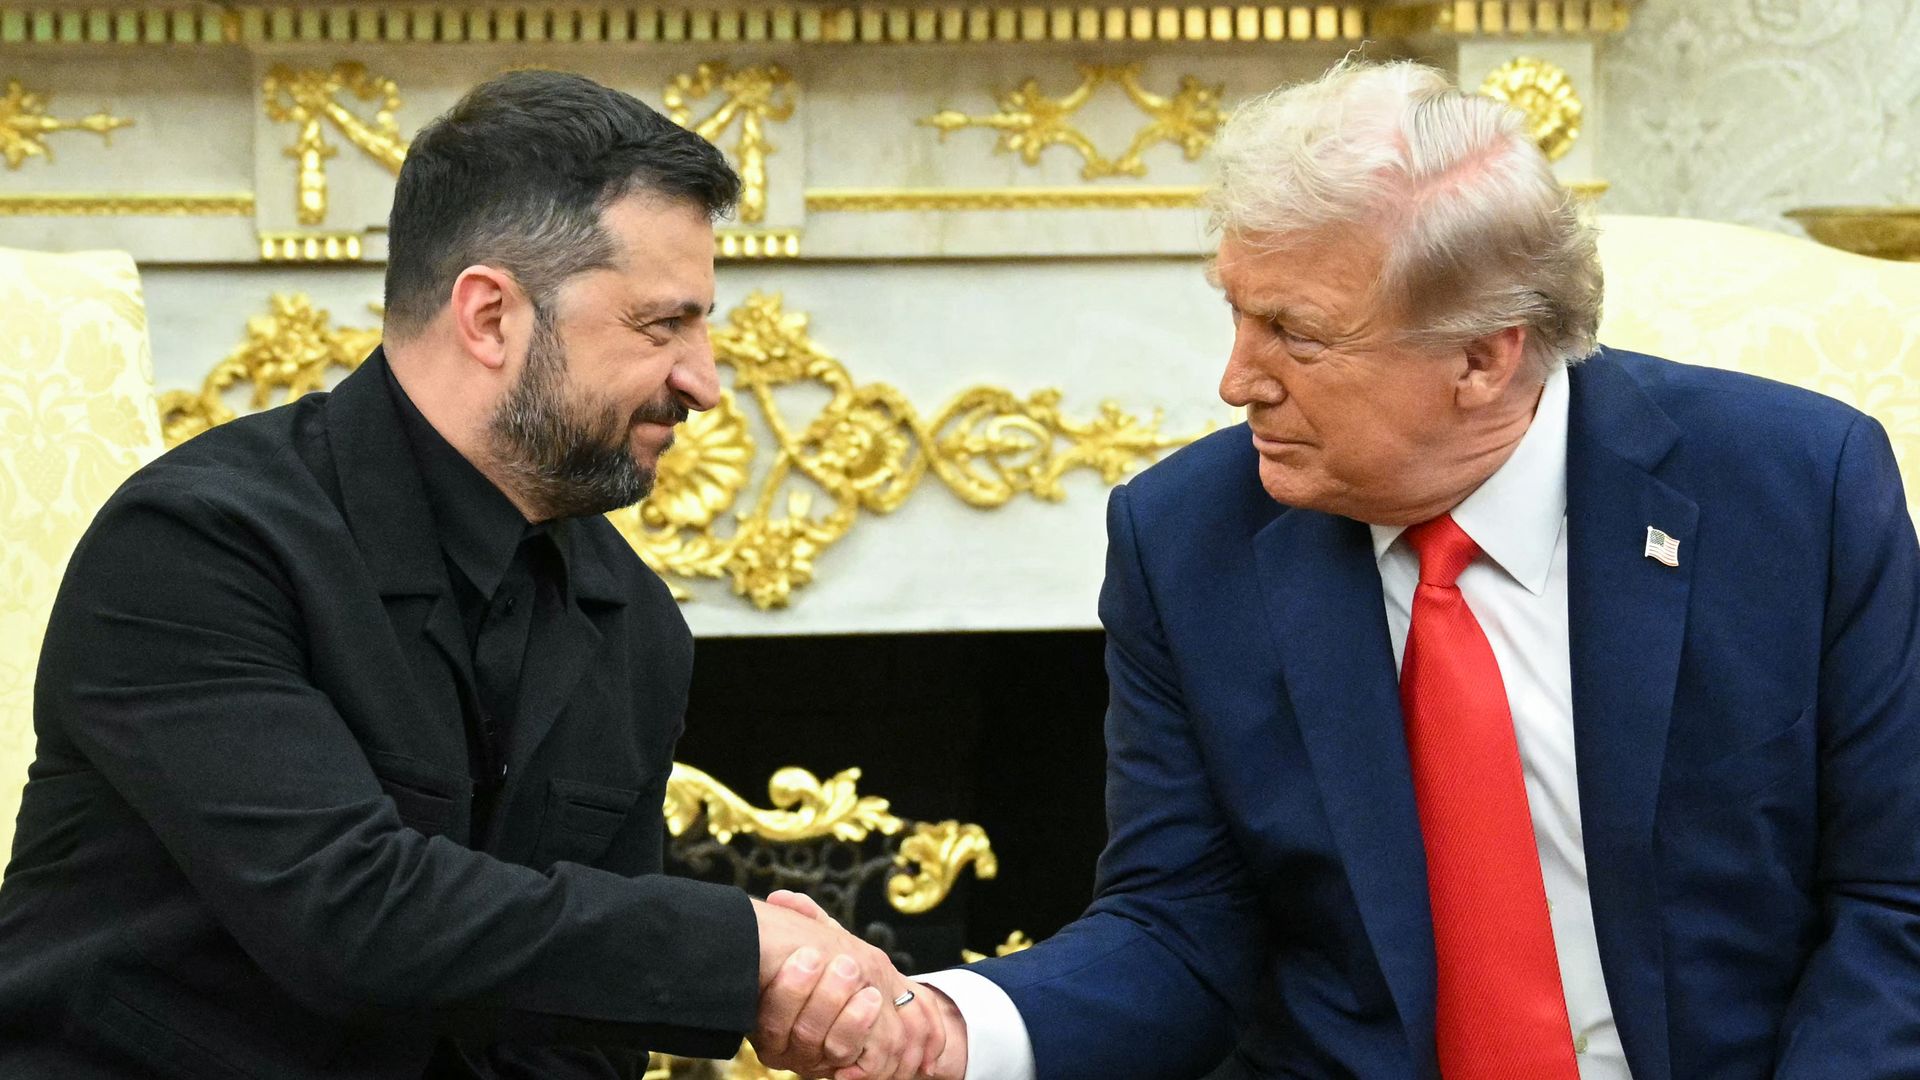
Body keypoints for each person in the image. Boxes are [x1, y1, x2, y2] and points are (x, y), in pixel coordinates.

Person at [764, 57, 1920, 1079]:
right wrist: (949, 1027)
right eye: (1235, 315)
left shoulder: (1793, 492)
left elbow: (1892, 902)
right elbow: (1178, 928)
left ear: (1483, 354)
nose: (1236, 379)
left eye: (1295, 334)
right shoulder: (1187, 539)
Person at [0, 70, 940, 1080]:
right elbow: (353, 917)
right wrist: (750, 951)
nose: (704, 380)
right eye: (661, 326)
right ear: (490, 316)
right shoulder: (199, 543)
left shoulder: (635, 622)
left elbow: (579, 1029)